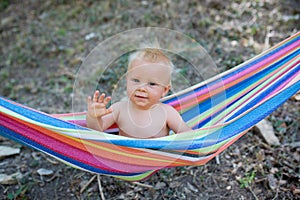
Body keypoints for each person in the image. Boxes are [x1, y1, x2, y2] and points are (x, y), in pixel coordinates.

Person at [86, 48, 191, 138]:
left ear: (164, 90)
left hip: (157, 160)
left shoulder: (168, 113)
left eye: (152, 84)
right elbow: (96, 131)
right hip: (122, 160)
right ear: (127, 80)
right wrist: (94, 117)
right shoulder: (118, 109)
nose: (142, 88)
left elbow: (188, 136)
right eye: (136, 80)